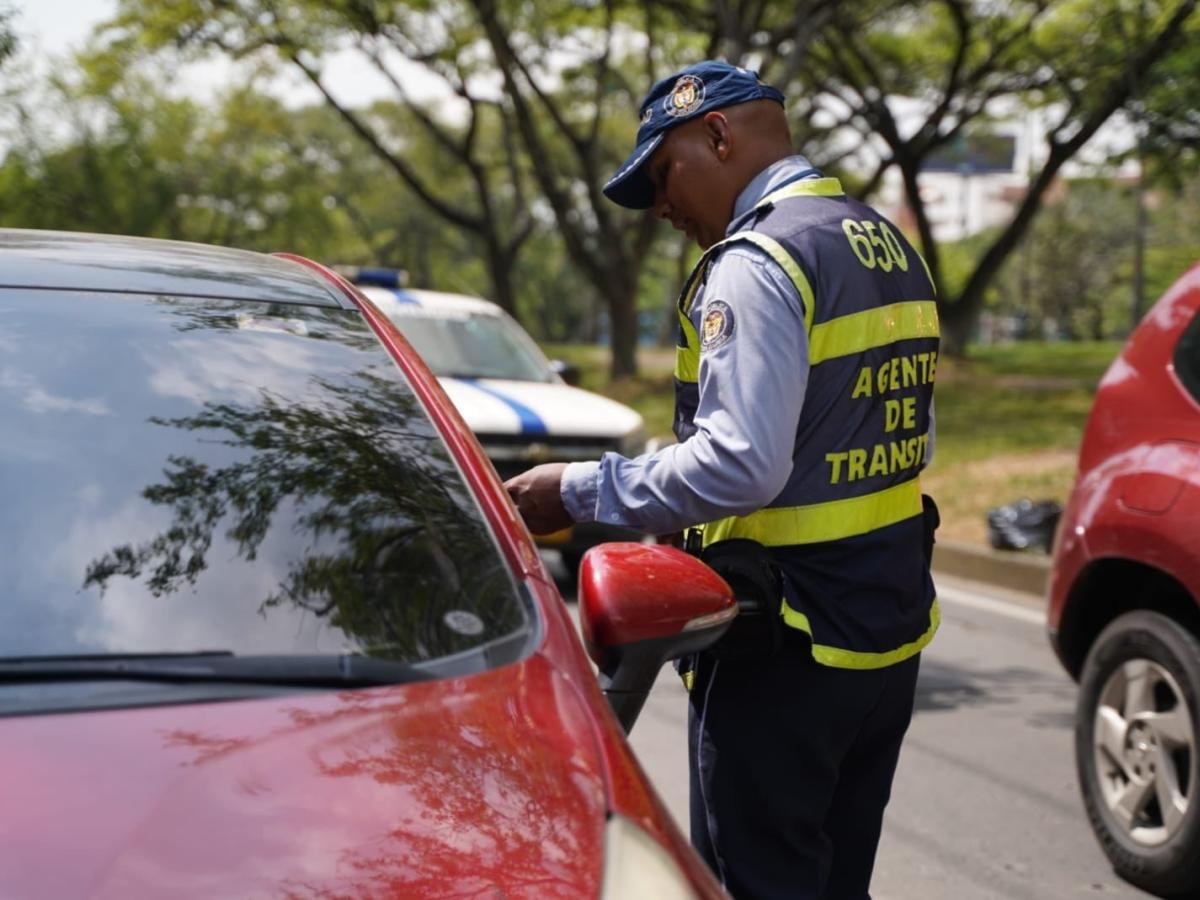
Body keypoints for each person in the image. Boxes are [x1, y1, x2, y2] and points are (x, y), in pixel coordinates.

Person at [505, 59, 940, 900]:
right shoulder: (884, 243)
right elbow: (911, 433)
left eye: (664, 177)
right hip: (884, 636)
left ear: (717, 134)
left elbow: (738, 462)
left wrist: (577, 489)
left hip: (788, 649)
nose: (663, 208)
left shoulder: (758, 258)